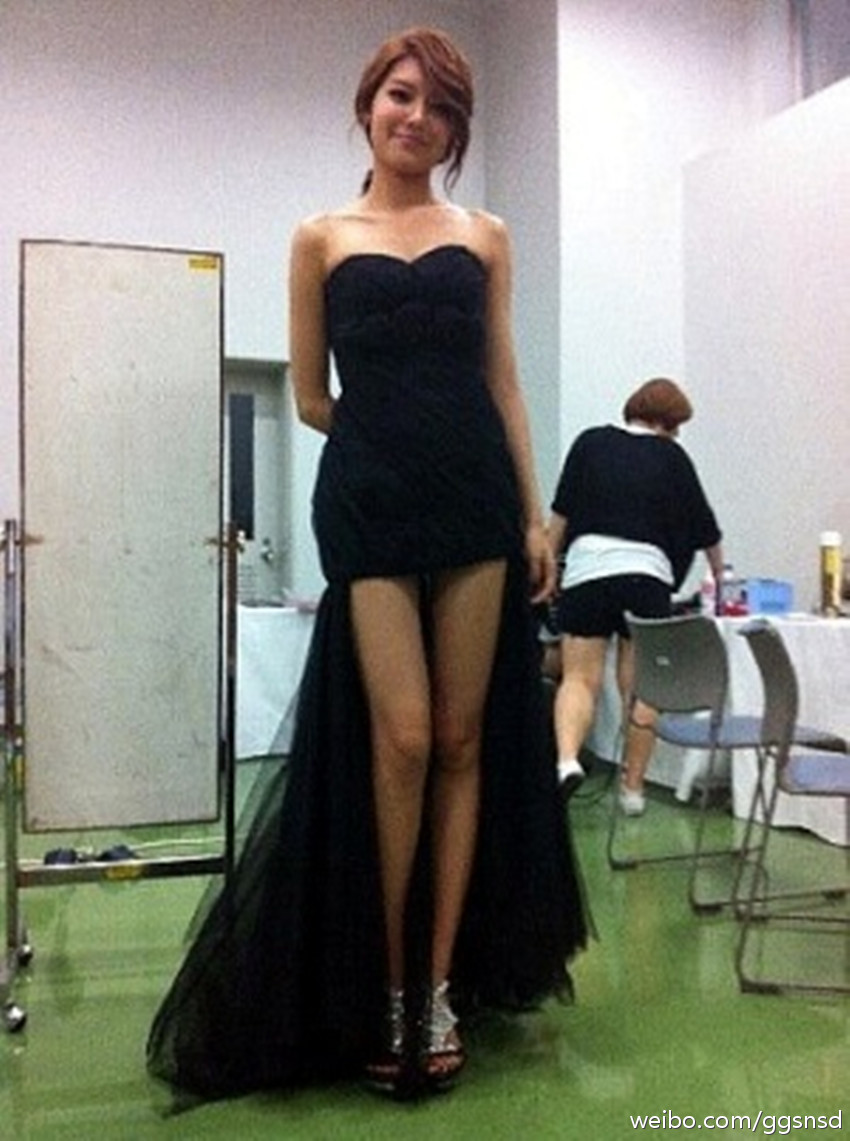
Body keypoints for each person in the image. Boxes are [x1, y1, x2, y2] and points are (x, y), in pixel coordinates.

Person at [147, 26, 587, 1104]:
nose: (416, 118)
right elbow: (309, 397)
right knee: (401, 737)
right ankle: (386, 982)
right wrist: (389, 443)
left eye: (439, 107)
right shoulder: (319, 238)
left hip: (476, 498)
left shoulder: (484, 234)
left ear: (455, 129)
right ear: (368, 105)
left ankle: (433, 989)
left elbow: (504, 379)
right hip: (372, 501)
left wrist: (534, 515)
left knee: (462, 738)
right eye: (401, 95)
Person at [547, 378, 724, 817]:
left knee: (578, 679)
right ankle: (633, 789)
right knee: (641, 689)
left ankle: (566, 761)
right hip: (646, 578)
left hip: (588, 571)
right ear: (668, 424)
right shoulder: (673, 457)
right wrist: (721, 579)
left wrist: (547, 567)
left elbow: (560, 515)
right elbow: (706, 530)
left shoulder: (589, 443)